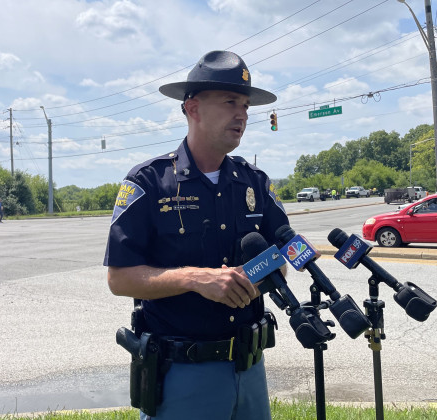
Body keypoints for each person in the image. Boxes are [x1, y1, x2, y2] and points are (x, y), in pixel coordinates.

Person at [104, 51, 289, 419]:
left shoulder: (254, 182)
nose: (242, 115)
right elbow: (119, 278)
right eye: (230, 102)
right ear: (192, 108)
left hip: (250, 369)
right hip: (182, 376)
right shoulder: (149, 182)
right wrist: (196, 279)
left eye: (246, 106)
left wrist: (256, 277)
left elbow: (283, 253)